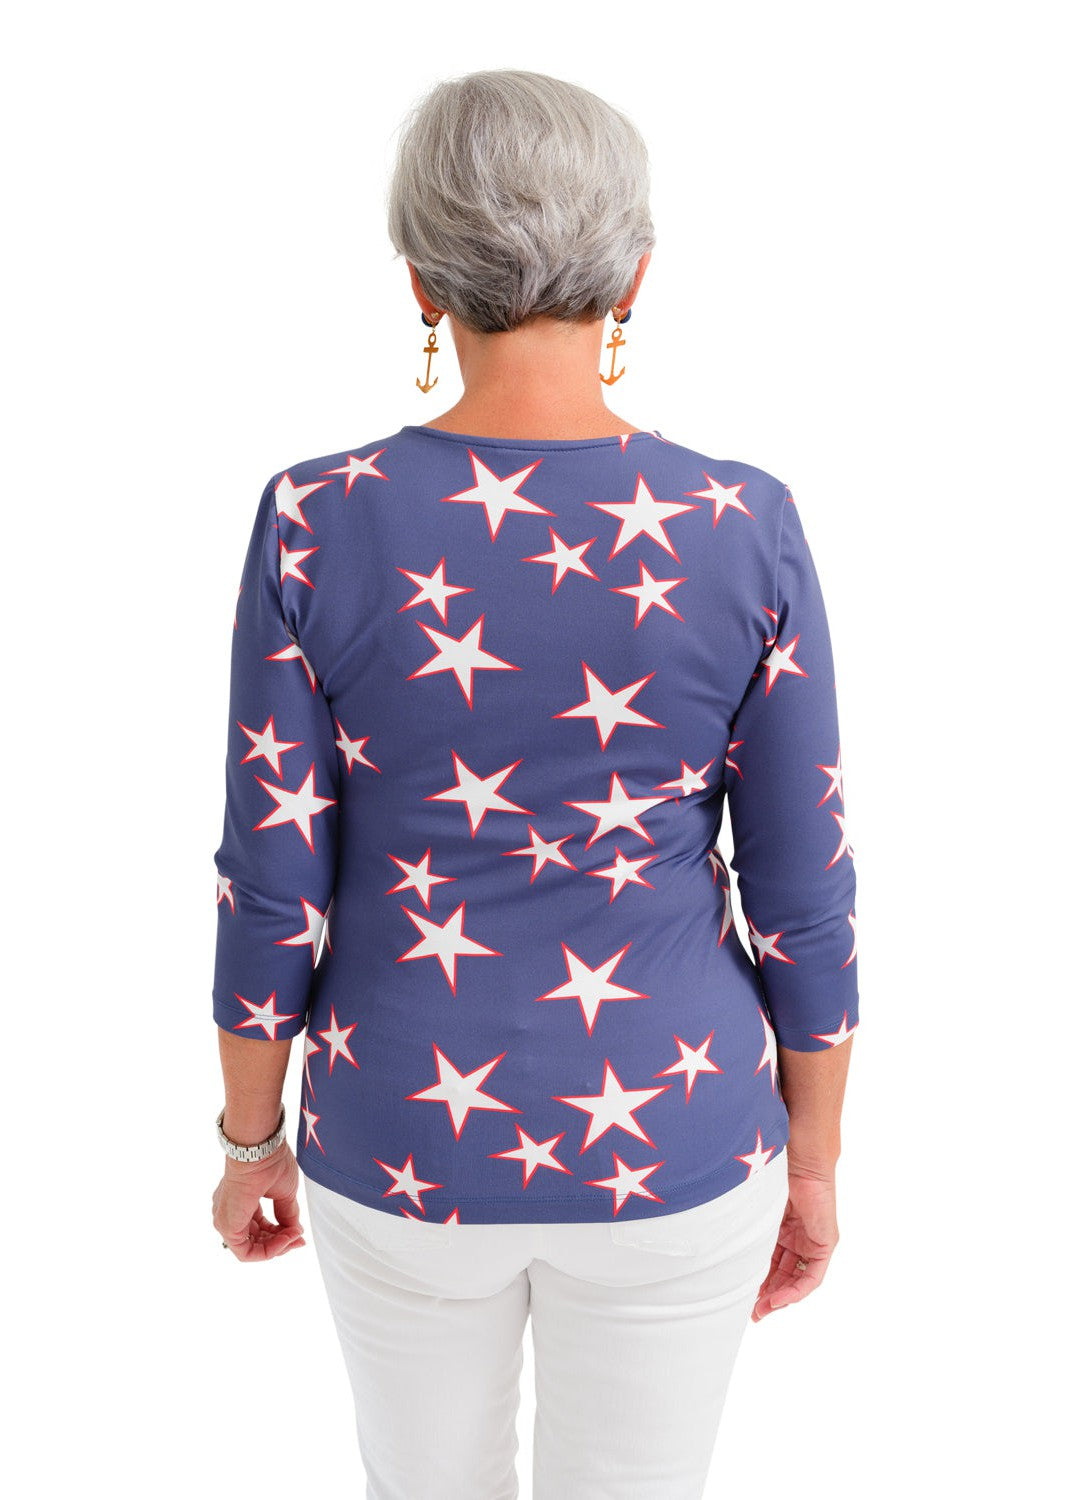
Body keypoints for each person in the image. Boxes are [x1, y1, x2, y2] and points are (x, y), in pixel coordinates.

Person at [210, 67, 859, 1500]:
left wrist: (251, 1138)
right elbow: (805, 891)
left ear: (421, 278)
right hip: (677, 1135)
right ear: (634, 275)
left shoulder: (316, 518)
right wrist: (813, 1161)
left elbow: (270, 879)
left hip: (397, 1131)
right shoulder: (742, 523)